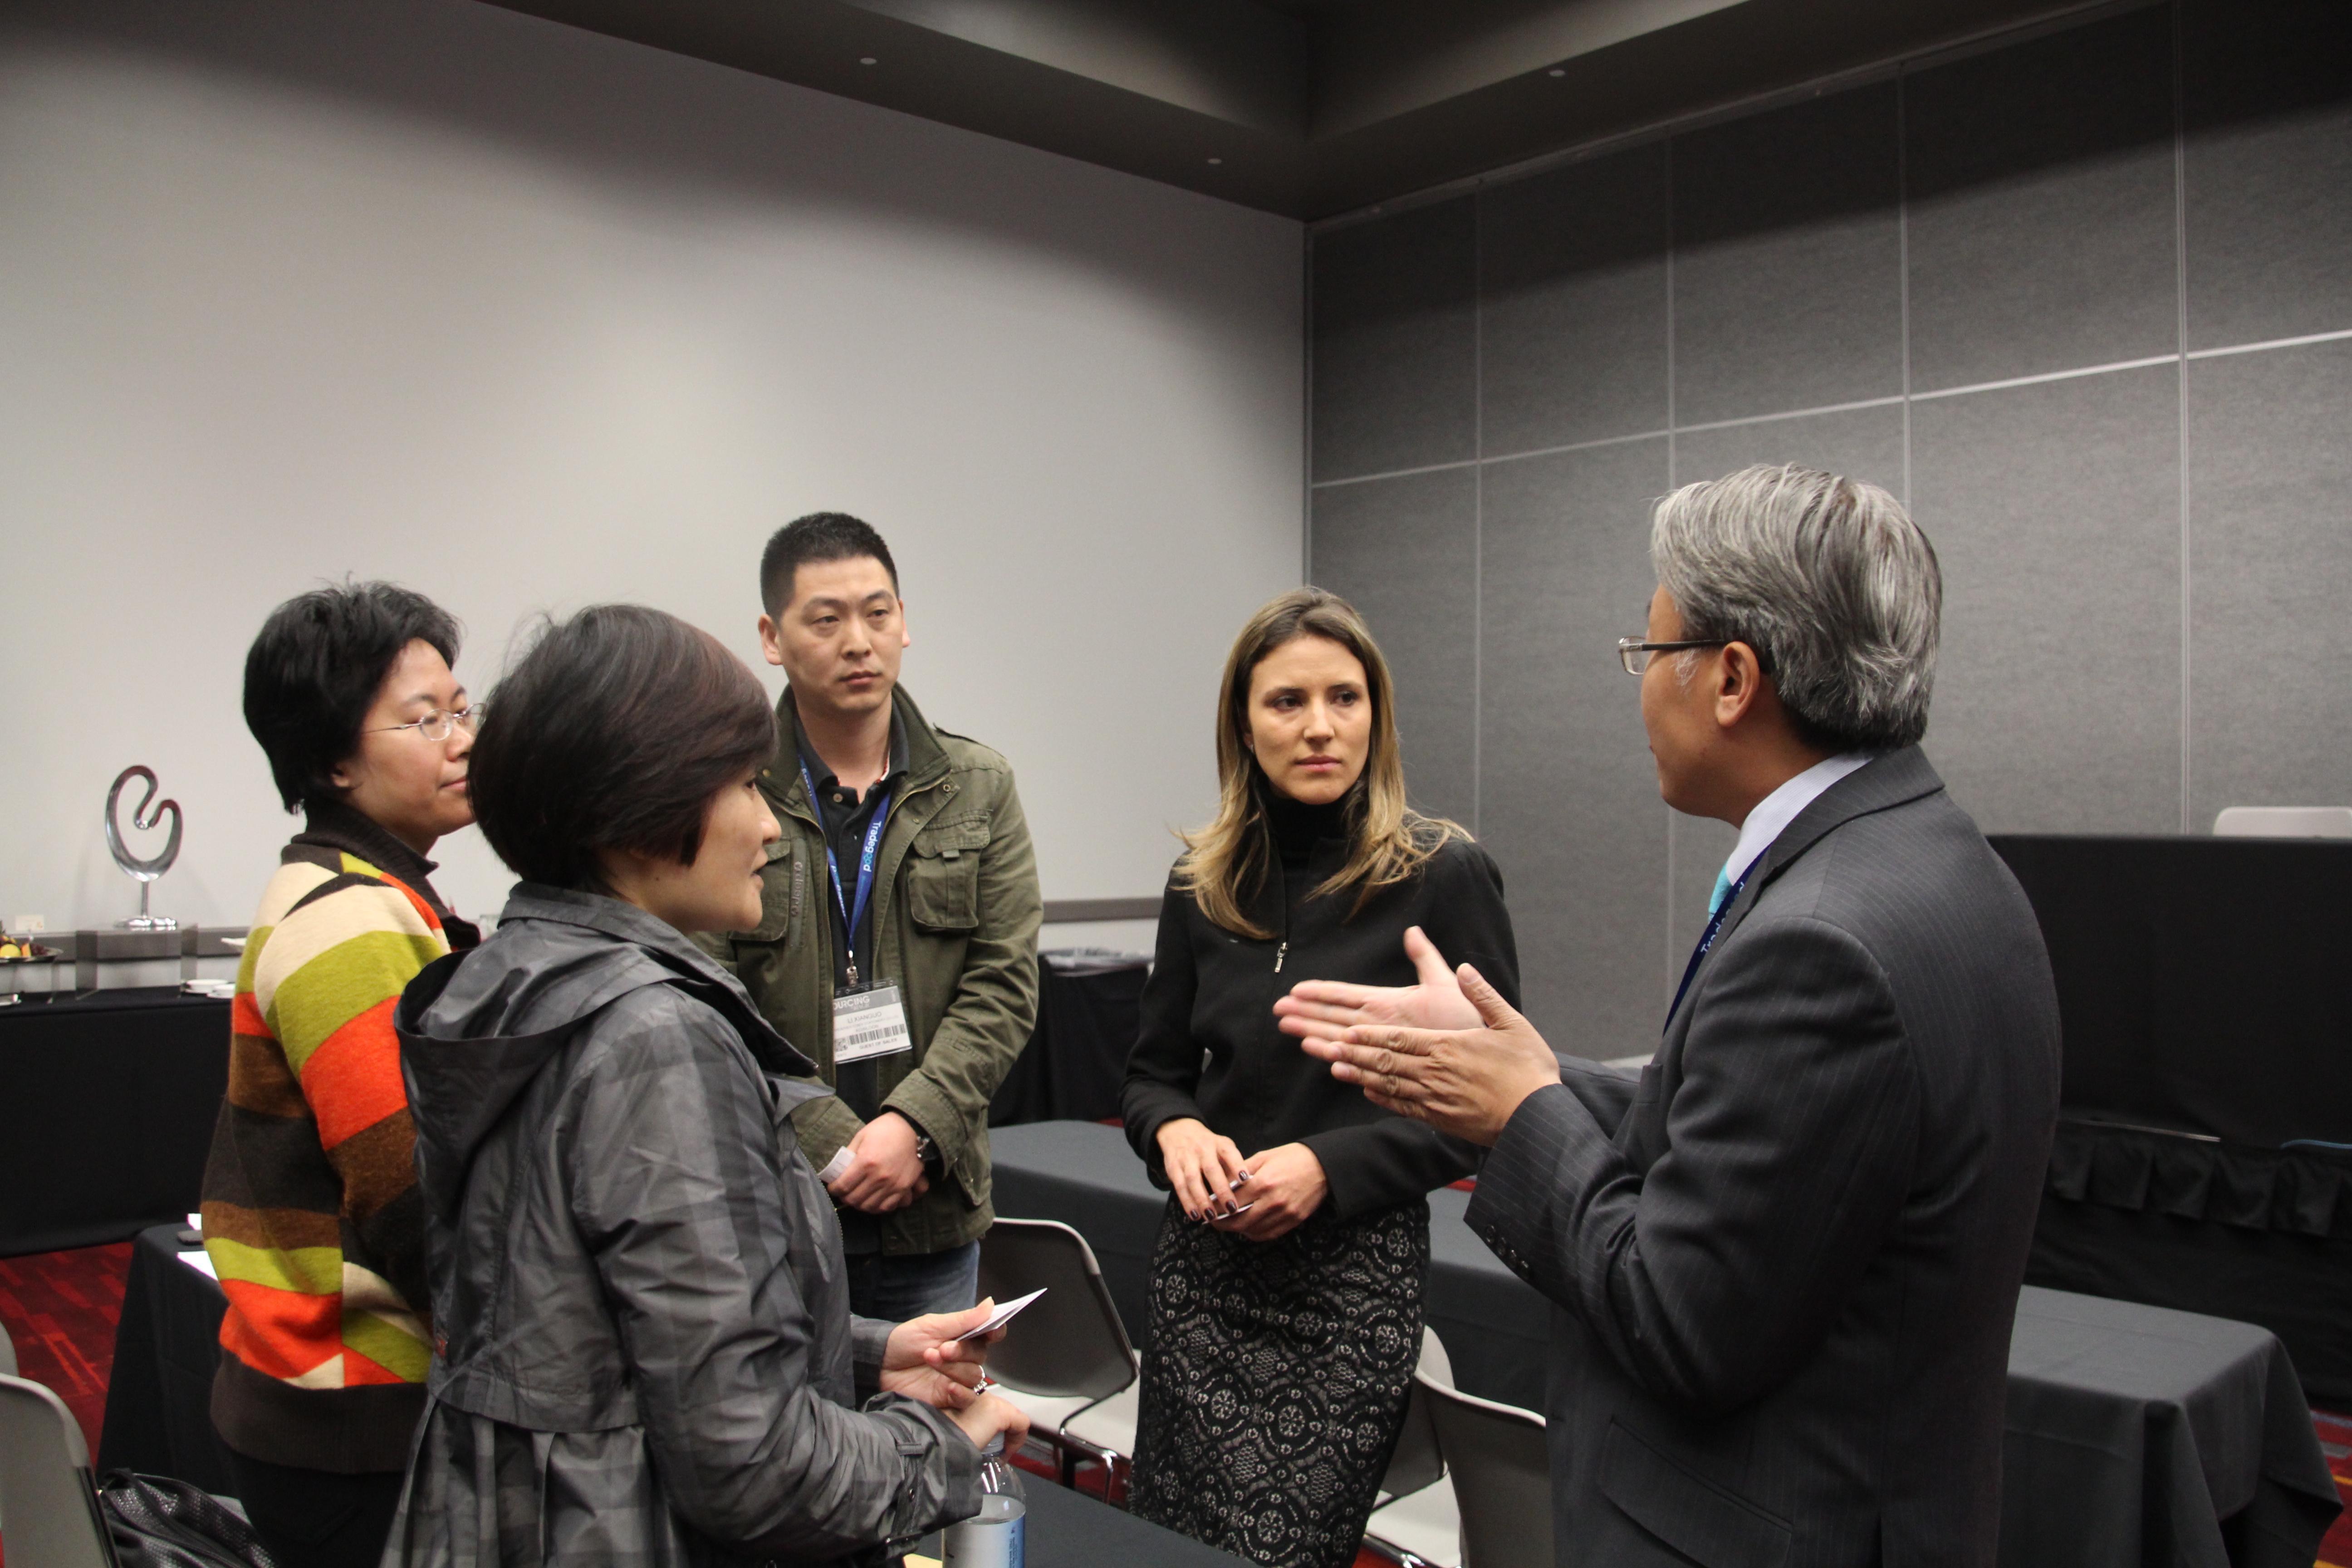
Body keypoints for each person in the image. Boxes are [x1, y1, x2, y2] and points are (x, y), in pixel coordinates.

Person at [1287, 466, 2062, 1568]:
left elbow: (1680, 1314)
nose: (1640, 687)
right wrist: (1526, 1069)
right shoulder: (1932, 861)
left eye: (1647, 651)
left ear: (1732, 679)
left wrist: (1523, 1117)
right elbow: (1761, 1142)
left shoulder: (1823, 943)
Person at [382, 603, 1028, 1566]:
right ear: (640, 813)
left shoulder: (511, 982)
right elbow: (754, 1465)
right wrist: (940, 1449)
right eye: (742, 787)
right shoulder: (656, 1040)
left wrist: (865, 1355)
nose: (768, 825)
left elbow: (597, 1336)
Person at [1121, 587, 1520, 1568]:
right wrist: (1174, 1131)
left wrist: (1326, 1167)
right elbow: (1151, 1077)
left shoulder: (1443, 872)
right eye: (1287, 702)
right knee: (1170, 1545)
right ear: (1243, 724)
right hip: (1203, 1277)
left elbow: (1493, 1106)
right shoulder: (1201, 883)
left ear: (1376, 714)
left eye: (1345, 698)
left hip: (1348, 1286)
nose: (1319, 727)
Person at [197, 582, 481, 1568]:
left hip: (341, 1408)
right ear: (333, 764)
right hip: (353, 1418)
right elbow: (410, 1196)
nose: (462, 740)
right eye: (424, 720)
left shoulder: (371, 890)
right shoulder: (346, 917)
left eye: (462, 708)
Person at [706, 512, 1042, 1321]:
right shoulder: (726, 790)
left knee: (928, 1400)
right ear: (772, 637)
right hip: (776, 1209)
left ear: (903, 622)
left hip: (930, 1207)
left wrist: (915, 1127)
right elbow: (709, 994)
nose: (858, 642)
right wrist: (830, 1142)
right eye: (826, 619)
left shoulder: (977, 786)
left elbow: (1003, 985)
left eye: (877, 613)